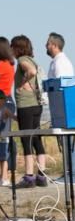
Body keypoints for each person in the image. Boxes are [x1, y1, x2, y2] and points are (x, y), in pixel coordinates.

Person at [10, 35, 46, 188]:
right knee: (37, 138)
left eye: (12, 46)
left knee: (26, 139)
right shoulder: (33, 60)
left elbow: (30, 71)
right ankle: (42, 176)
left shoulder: (22, 60)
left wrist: (22, 83)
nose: (10, 49)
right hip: (36, 104)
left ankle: (29, 177)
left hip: (26, 104)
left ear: (17, 48)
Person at [46, 33, 74, 184]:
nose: (46, 46)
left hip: (64, 110)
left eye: (48, 44)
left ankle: (71, 174)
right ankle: (68, 172)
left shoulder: (61, 62)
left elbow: (61, 87)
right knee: (65, 144)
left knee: (68, 142)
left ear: (54, 45)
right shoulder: (55, 62)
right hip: (59, 111)